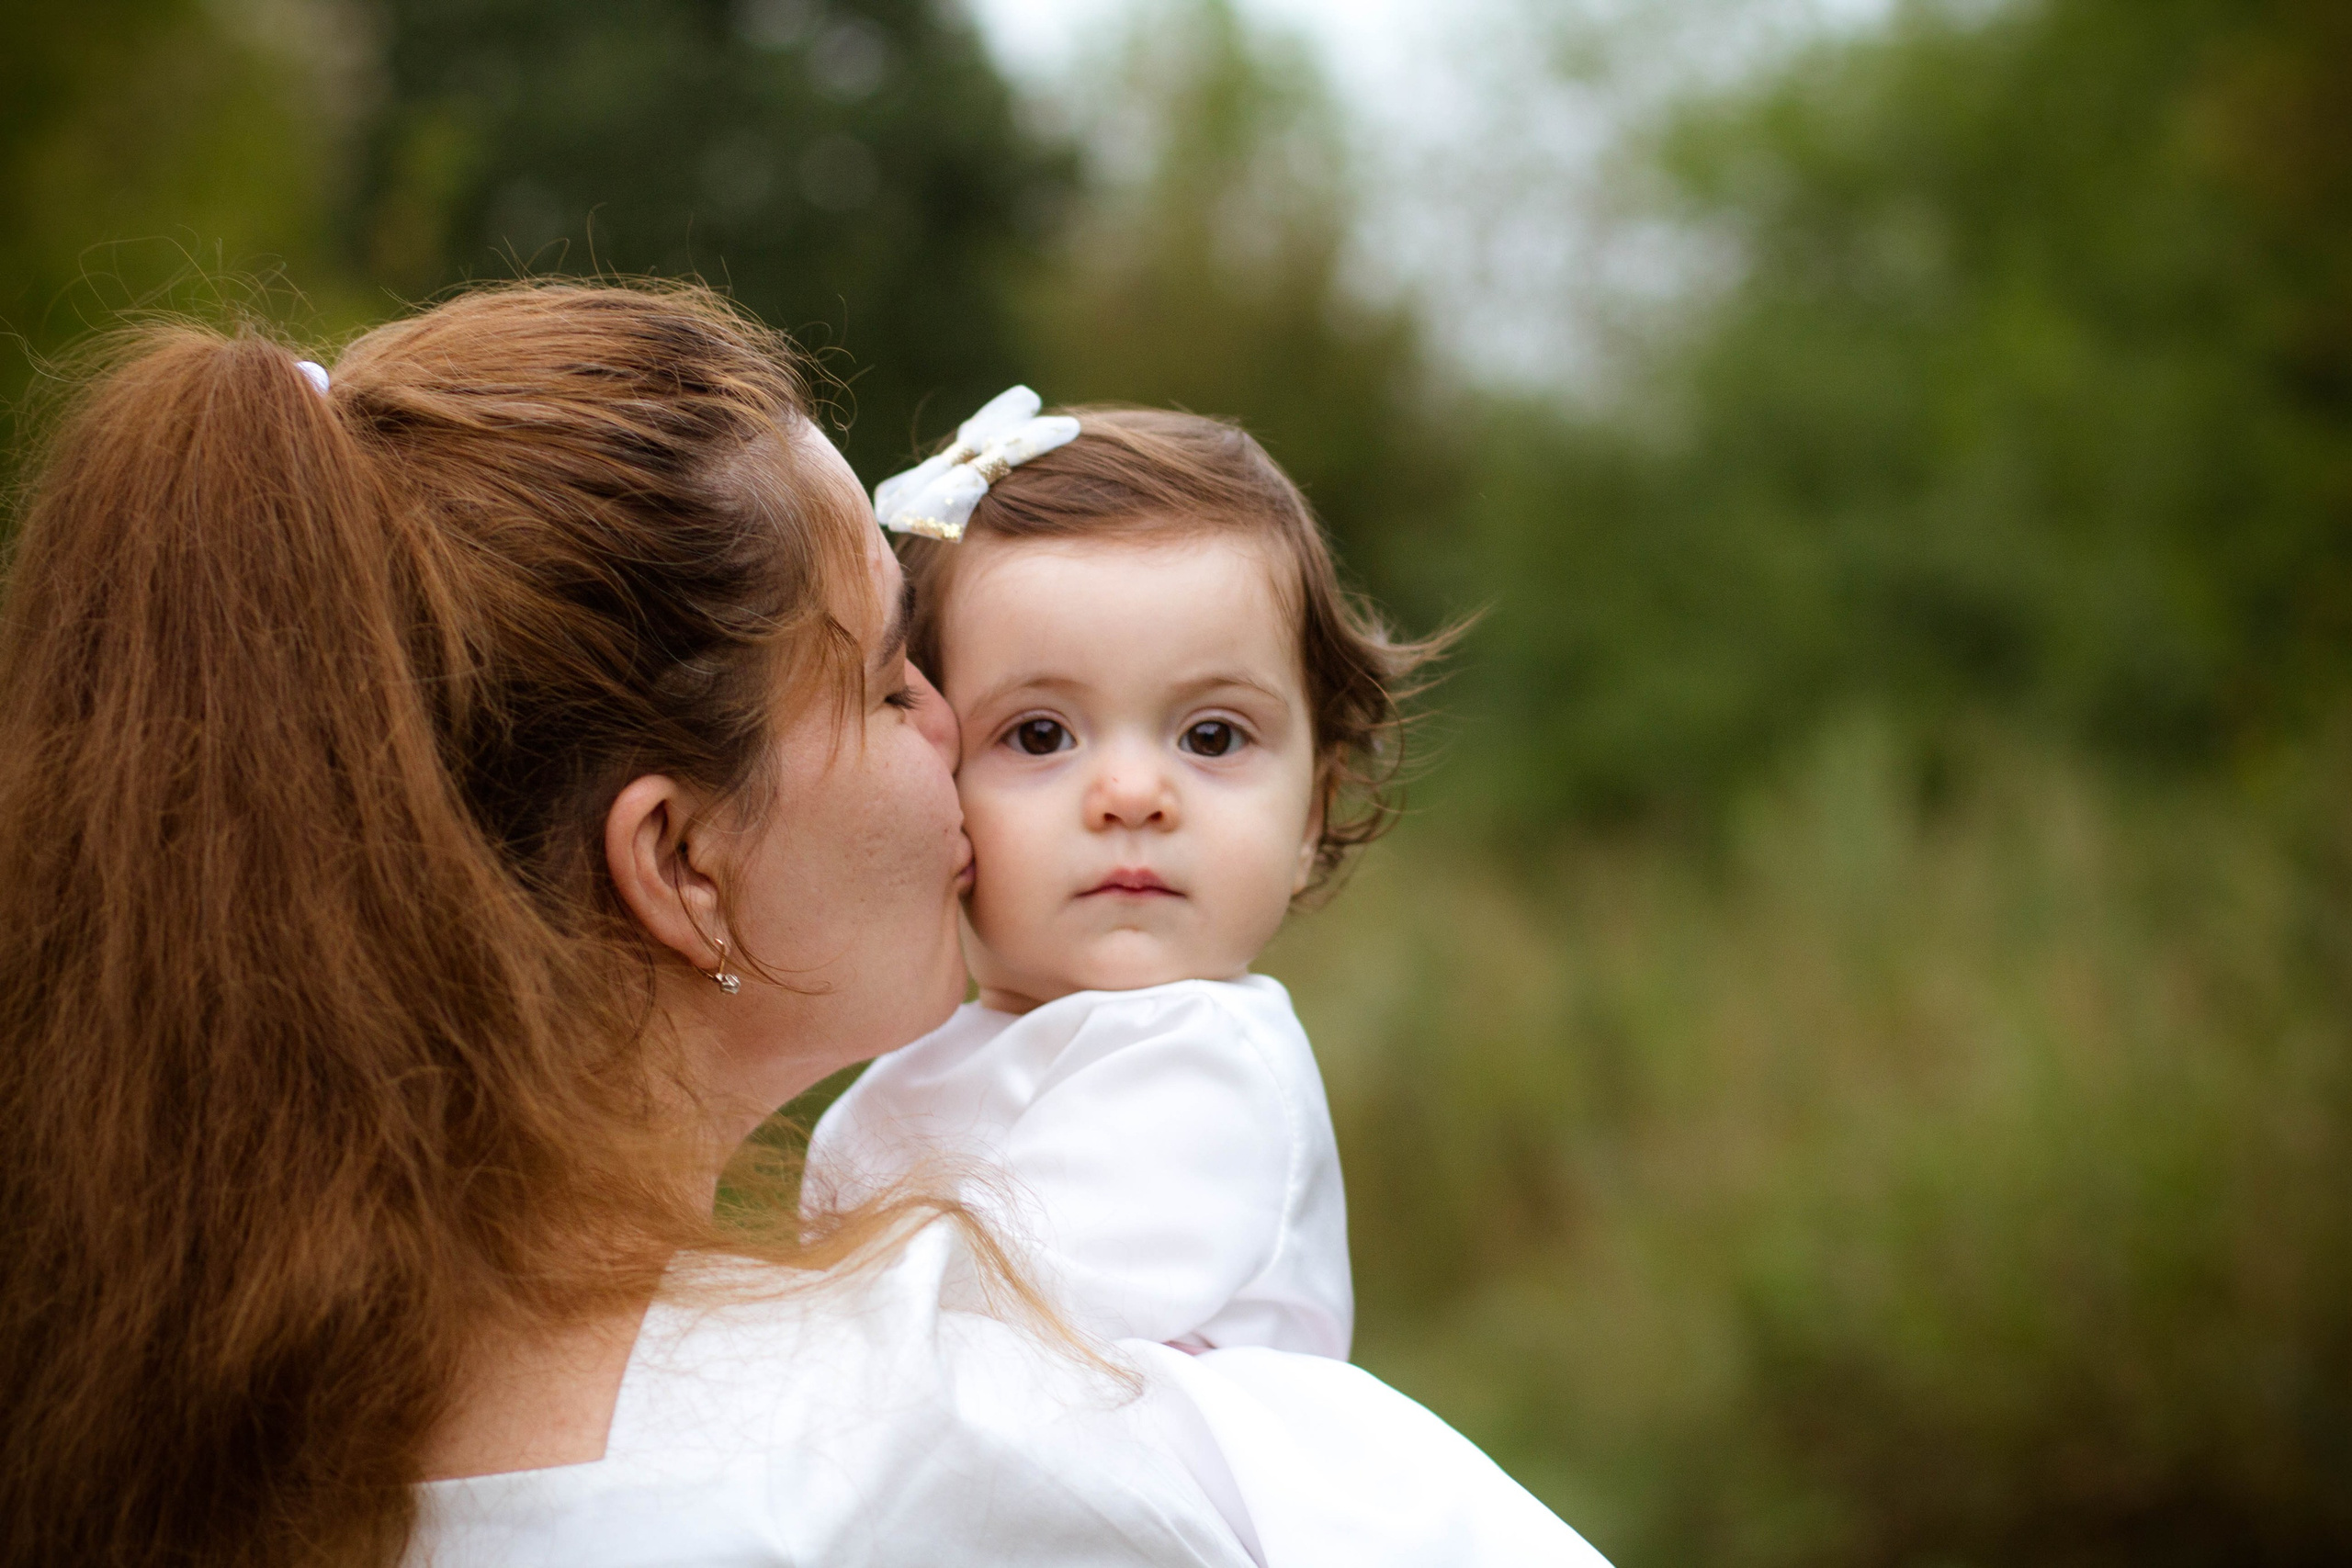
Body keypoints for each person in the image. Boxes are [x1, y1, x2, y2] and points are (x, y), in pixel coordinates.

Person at [0, 282, 1605, 1568]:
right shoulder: (948, 1465)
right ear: (683, 862)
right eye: (889, 676)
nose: (945, 732)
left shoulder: (188, 1405)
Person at [805, 389, 1443, 1367]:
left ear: (1311, 810)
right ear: (937, 786)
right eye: (1041, 735)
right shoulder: (912, 1071)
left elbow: (996, 1331)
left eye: (1212, 736)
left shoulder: (1205, 1065)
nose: (1134, 795)